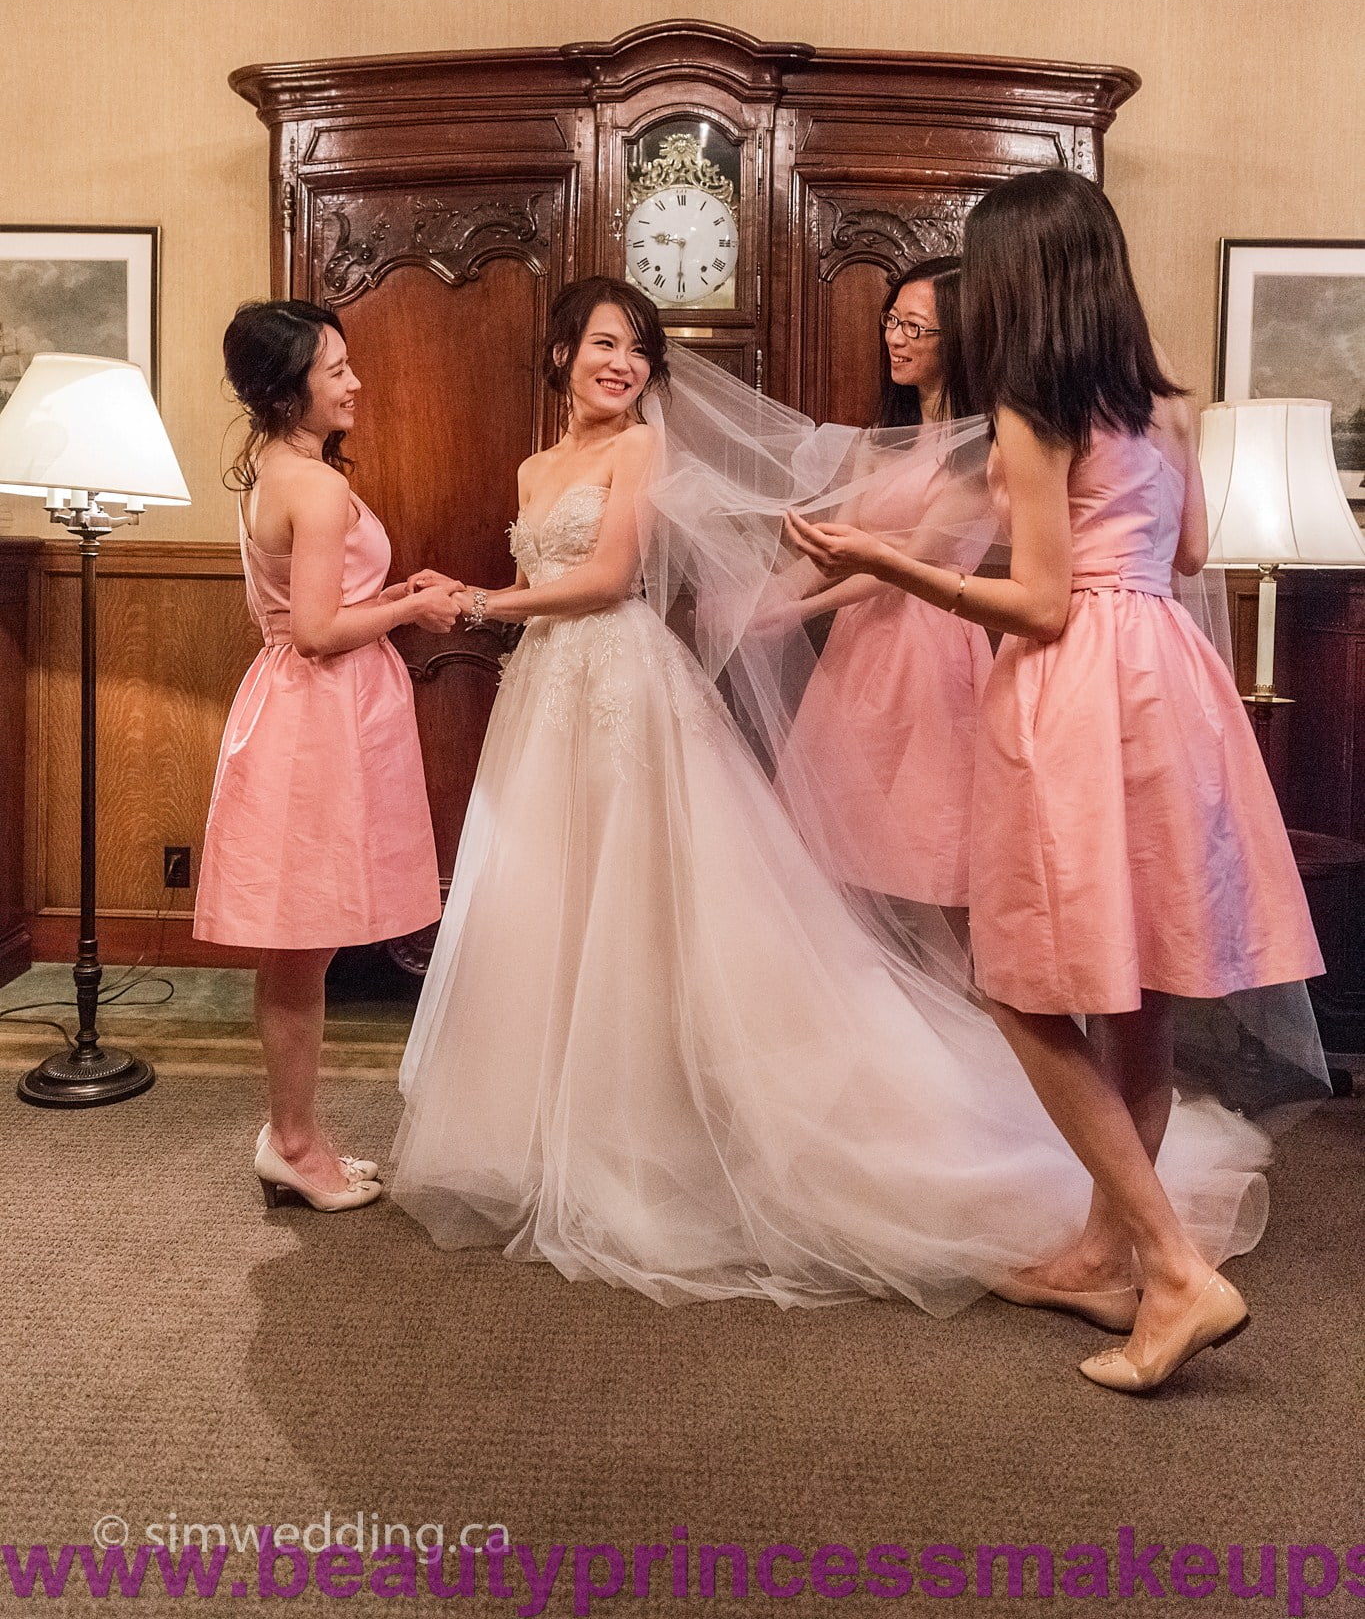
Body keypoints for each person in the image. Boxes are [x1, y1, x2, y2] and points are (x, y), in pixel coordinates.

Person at [390, 275, 1270, 1319]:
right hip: (551, 685)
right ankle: (564, 1113)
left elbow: (616, 577)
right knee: (551, 896)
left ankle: (1120, 1233)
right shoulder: (536, 467)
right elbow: (1184, 552)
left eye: (637, 348)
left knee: (939, 926)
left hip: (779, 667)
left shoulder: (660, 449)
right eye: (604, 345)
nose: (623, 364)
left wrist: (476, 601)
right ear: (559, 355)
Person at [786, 170, 1325, 1391]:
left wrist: (883, 555)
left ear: (1019, 280)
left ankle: (1173, 1268)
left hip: (1075, 685)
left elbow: (1035, 600)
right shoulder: (1166, 401)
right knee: (1137, 985)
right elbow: (1189, 551)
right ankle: (1101, 1251)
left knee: (1019, 984)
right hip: (1169, 678)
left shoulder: (1034, 412)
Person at [194, 300, 459, 1213]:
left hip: (301, 705)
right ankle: (296, 1144)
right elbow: (314, 631)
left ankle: (295, 1134)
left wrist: (388, 592)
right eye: (335, 369)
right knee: (302, 946)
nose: (355, 382)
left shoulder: (277, 469)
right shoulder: (315, 485)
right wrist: (410, 609)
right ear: (287, 388)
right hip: (319, 714)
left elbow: (309, 610)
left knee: (299, 946)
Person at [769, 259, 992, 936]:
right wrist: (771, 593)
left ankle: (949, 992)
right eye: (891, 321)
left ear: (961, 336)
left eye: (914, 327)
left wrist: (798, 611)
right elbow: (842, 544)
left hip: (931, 644)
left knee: (923, 851)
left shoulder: (981, 449)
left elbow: (911, 562)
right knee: (841, 848)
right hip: (860, 646)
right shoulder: (881, 440)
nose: (895, 338)